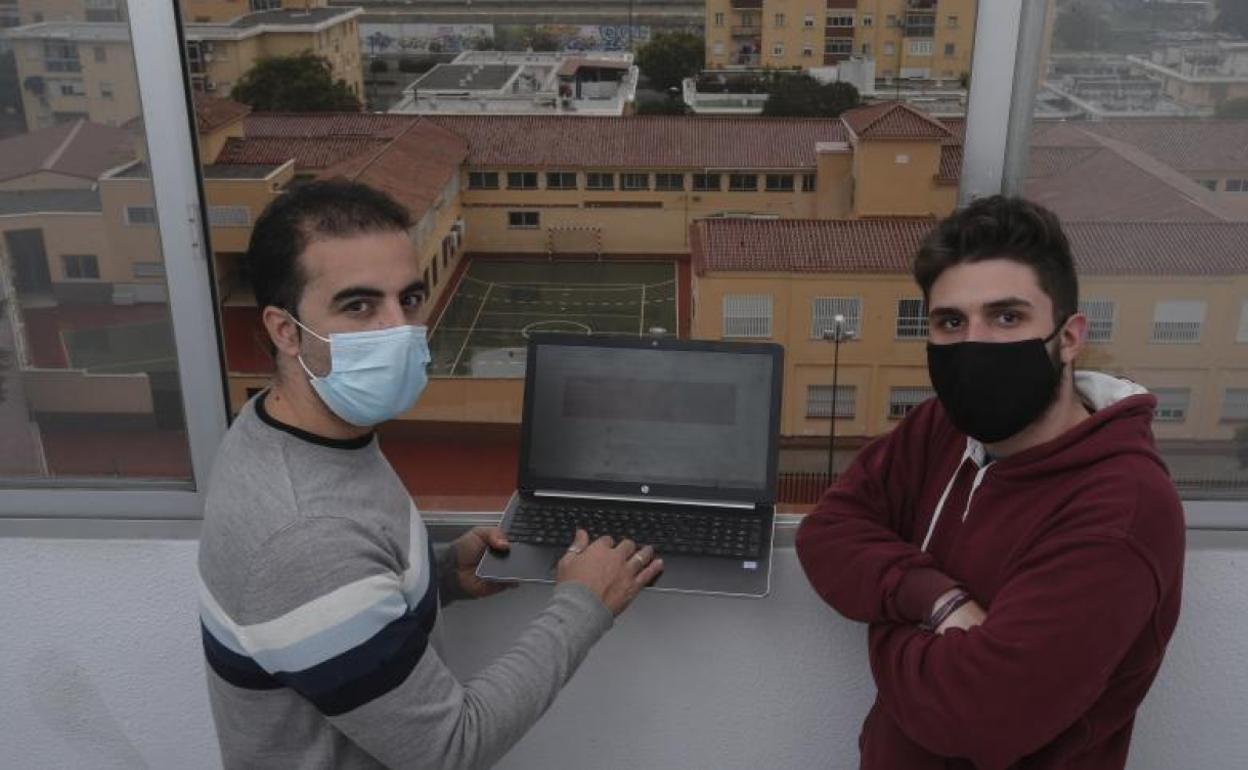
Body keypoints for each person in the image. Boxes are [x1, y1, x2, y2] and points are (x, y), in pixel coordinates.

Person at [197, 179, 663, 769]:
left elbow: (346, 596)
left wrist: (440, 578)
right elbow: (448, 750)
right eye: (359, 306)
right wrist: (584, 605)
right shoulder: (305, 538)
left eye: (409, 299)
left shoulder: (289, 428)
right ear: (284, 330)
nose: (399, 329)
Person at [796, 196, 1184, 770]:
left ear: (1070, 337)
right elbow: (827, 531)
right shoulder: (944, 427)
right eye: (951, 322)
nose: (974, 344)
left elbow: (971, 714)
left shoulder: (1119, 511)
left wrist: (880, 614)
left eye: (1007, 317)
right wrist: (933, 600)